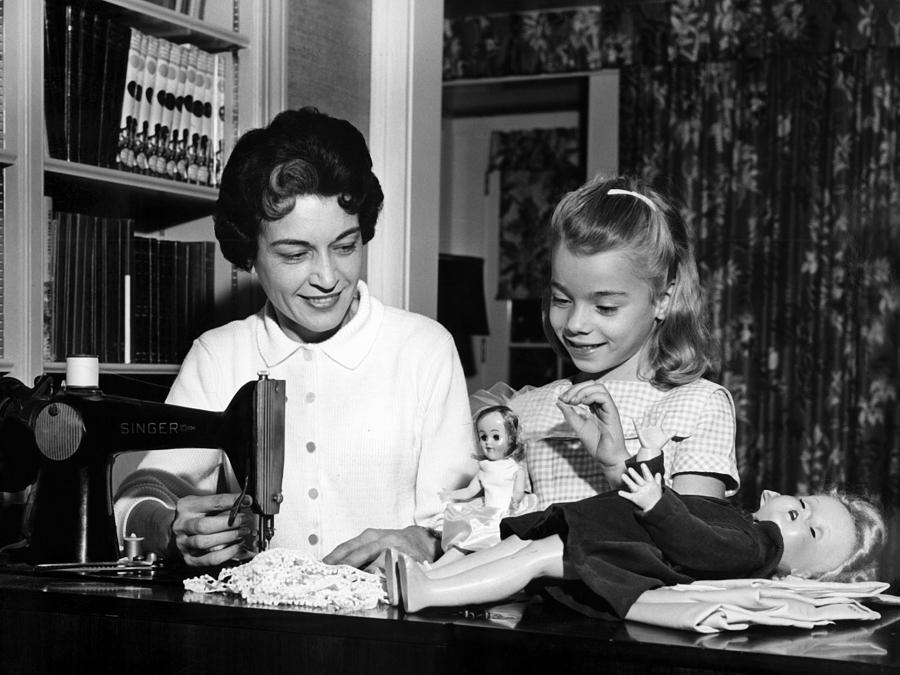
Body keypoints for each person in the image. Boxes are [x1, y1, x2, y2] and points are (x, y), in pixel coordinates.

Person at [113, 107, 477, 569]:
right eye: (295, 254)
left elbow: (465, 521)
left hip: (387, 629)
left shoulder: (424, 349)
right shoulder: (220, 355)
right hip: (253, 630)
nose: (327, 277)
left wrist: (425, 540)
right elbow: (141, 494)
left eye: (345, 246)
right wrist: (169, 529)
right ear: (249, 255)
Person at [389, 418, 886, 618]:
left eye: (814, 530)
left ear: (799, 574)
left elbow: (695, 542)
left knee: (536, 556)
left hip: (618, 550)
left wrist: (657, 501)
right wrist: (650, 464)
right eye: (808, 504)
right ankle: (428, 576)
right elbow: (676, 506)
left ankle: (430, 593)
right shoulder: (741, 519)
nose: (802, 513)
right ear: (775, 494)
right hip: (604, 522)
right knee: (517, 546)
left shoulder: (755, 548)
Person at [508, 175, 739, 507]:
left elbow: (700, 545)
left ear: (663, 299)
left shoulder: (698, 407)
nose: (575, 324)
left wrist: (619, 467)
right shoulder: (526, 412)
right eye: (561, 300)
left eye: (605, 307)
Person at [436, 405, 538, 566]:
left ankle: (438, 568)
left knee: (475, 539)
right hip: (489, 514)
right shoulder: (484, 468)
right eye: (483, 437)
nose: (488, 443)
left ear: (512, 438)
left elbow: (519, 490)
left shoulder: (515, 468)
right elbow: (470, 491)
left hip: (508, 514)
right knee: (467, 539)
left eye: (496, 437)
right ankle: (439, 568)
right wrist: (451, 494)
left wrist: (516, 500)